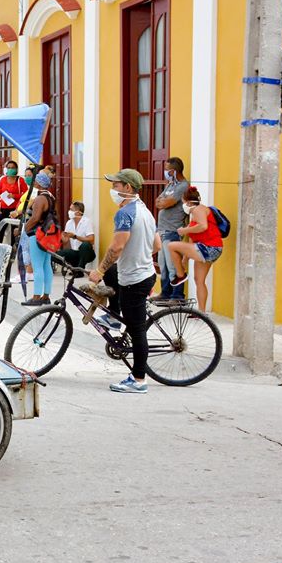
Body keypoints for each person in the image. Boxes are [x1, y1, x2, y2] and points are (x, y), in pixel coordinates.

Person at [88, 169, 161, 394]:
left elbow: (116, 247)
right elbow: (156, 245)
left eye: (116, 185)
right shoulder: (145, 211)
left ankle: (139, 379)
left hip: (135, 280)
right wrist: (138, 256)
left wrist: (99, 270)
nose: (113, 190)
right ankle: (114, 319)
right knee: (113, 274)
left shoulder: (125, 214)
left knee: (137, 330)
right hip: (145, 273)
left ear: (128, 188)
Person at [166, 186, 224, 312]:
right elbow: (193, 240)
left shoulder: (198, 209)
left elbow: (203, 226)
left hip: (209, 247)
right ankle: (202, 313)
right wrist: (184, 259)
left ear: (187, 201)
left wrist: (184, 230)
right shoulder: (195, 212)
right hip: (209, 247)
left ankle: (181, 275)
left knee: (171, 246)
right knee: (199, 280)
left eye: (182, 201)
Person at [153, 157, 190, 302]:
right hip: (162, 230)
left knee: (173, 265)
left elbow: (167, 202)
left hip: (173, 231)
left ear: (174, 171)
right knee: (163, 264)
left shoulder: (182, 186)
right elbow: (158, 202)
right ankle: (165, 293)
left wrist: (164, 202)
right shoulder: (170, 185)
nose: (166, 172)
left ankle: (178, 296)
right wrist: (163, 202)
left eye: (168, 170)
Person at [21, 171, 58, 306]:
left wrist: (24, 229)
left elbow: (35, 218)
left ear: (39, 183)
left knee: (37, 266)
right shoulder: (50, 197)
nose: (32, 181)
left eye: (34, 179)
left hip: (37, 235)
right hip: (48, 235)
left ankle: (36, 297)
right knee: (46, 265)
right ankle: (46, 296)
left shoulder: (39, 199)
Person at [56, 201, 96, 268]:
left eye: (71, 210)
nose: (69, 211)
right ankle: (72, 267)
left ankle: (79, 269)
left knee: (85, 245)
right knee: (54, 256)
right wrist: (64, 240)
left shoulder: (86, 222)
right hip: (74, 253)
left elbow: (91, 240)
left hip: (86, 253)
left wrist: (75, 236)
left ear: (78, 212)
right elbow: (67, 243)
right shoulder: (69, 223)